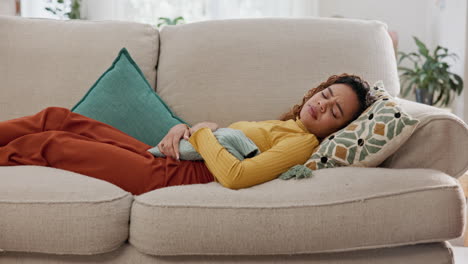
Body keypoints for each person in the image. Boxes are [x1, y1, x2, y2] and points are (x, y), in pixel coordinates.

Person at [0, 73, 372, 195]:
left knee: (52, 144)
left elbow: (235, 175)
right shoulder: (286, 125)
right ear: (315, 91)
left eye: (334, 111)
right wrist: (189, 129)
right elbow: (224, 138)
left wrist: (198, 133)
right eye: (326, 95)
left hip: (177, 175)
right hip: (174, 153)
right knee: (60, 118)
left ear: (338, 128)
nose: (323, 106)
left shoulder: (302, 142)